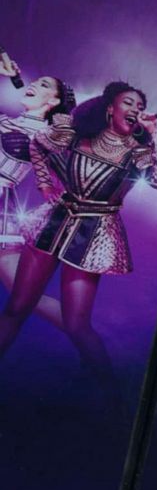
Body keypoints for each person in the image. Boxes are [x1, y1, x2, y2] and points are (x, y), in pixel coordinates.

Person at [0, 81, 157, 387]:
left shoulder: (139, 151)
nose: (135, 109)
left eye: (139, 106)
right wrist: (45, 184)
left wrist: (155, 135)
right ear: (110, 108)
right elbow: (39, 143)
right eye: (128, 103)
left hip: (94, 234)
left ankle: (112, 398)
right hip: (53, 223)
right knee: (17, 308)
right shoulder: (79, 135)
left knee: (77, 324)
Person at [0, 51, 74, 335]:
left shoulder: (46, 134)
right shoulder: (8, 121)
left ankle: (85, 334)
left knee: (24, 298)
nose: (34, 85)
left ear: (53, 101)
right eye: (36, 82)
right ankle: (86, 334)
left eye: (45, 85)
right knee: (23, 297)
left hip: (4, 208)